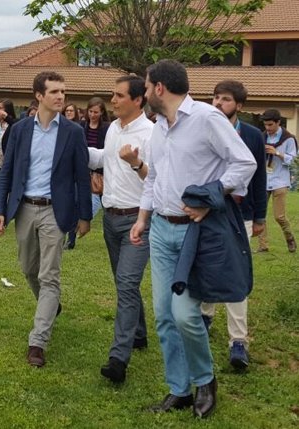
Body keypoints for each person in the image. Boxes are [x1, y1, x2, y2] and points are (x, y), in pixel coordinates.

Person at [130, 60, 256, 418]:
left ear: (158, 89)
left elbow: (244, 163)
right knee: (163, 317)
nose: (144, 91)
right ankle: (179, 389)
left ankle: (205, 380)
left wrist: (210, 197)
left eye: (146, 85)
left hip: (195, 233)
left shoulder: (206, 118)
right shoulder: (158, 127)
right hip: (161, 230)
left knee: (185, 315)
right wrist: (143, 218)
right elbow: (153, 176)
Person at [0, 71, 91, 367]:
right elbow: (7, 172)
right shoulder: (21, 130)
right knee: (28, 269)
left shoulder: (73, 132)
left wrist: (84, 215)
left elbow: (81, 177)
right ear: (39, 95)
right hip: (24, 208)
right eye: (54, 92)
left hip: (55, 211)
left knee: (50, 275)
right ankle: (51, 306)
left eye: (63, 91)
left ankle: (38, 341)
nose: (61, 96)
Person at [86, 75, 153, 382]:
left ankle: (118, 359)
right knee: (124, 282)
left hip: (137, 221)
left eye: (118, 96)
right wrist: (77, 147)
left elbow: (159, 180)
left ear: (138, 100)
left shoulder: (152, 135)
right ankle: (138, 333)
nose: (112, 100)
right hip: (110, 220)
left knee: (126, 284)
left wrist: (136, 164)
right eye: (112, 95)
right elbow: (104, 158)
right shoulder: (113, 128)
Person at [200, 80, 267, 370]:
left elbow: (259, 178)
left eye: (225, 99)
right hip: (209, 211)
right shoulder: (202, 130)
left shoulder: (252, 135)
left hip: (242, 213)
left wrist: (261, 217)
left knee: (236, 274)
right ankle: (205, 315)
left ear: (239, 105)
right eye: (215, 98)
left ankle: (238, 341)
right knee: (207, 265)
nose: (218, 103)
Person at [257, 108, 296, 253]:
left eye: (270, 125)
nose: (268, 128)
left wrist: (277, 153)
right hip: (264, 180)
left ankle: (290, 239)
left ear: (278, 122)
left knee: (279, 216)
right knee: (260, 215)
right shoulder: (261, 137)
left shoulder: (289, 139)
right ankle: (263, 246)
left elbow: (292, 160)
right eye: (266, 125)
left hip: (280, 180)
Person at [84, 97, 110, 218]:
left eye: (96, 112)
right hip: (83, 169)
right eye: (90, 111)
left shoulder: (107, 128)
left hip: (100, 171)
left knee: (101, 200)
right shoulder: (82, 126)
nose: (92, 115)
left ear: (101, 112)